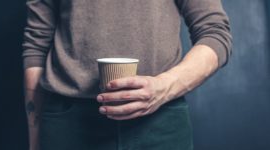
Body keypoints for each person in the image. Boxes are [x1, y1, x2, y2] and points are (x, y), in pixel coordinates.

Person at [22, 0, 232, 150]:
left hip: (160, 121)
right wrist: (34, 140)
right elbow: (36, 45)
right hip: (68, 124)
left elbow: (215, 33)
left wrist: (163, 86)